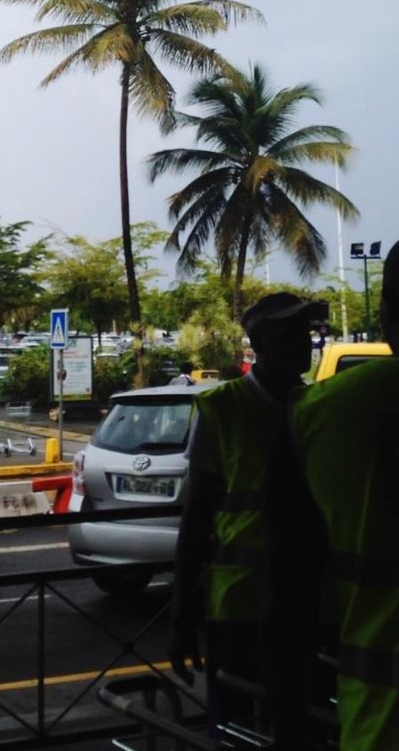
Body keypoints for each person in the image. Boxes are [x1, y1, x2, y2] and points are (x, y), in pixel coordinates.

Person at [267, 242, 399, 750]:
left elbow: (289, 589)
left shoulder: (317, 414)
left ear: (386, 313)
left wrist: (286, 720)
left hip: (378, 720)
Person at [169, 292, 315, 730]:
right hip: (240, 607)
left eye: (307, 333)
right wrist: (181, 617)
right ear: (264, 342)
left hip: (314, 605)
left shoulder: (318, 407)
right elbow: (195, 520)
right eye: (294, 333)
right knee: (236, 726)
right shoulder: (221, 409)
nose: (306, 343)